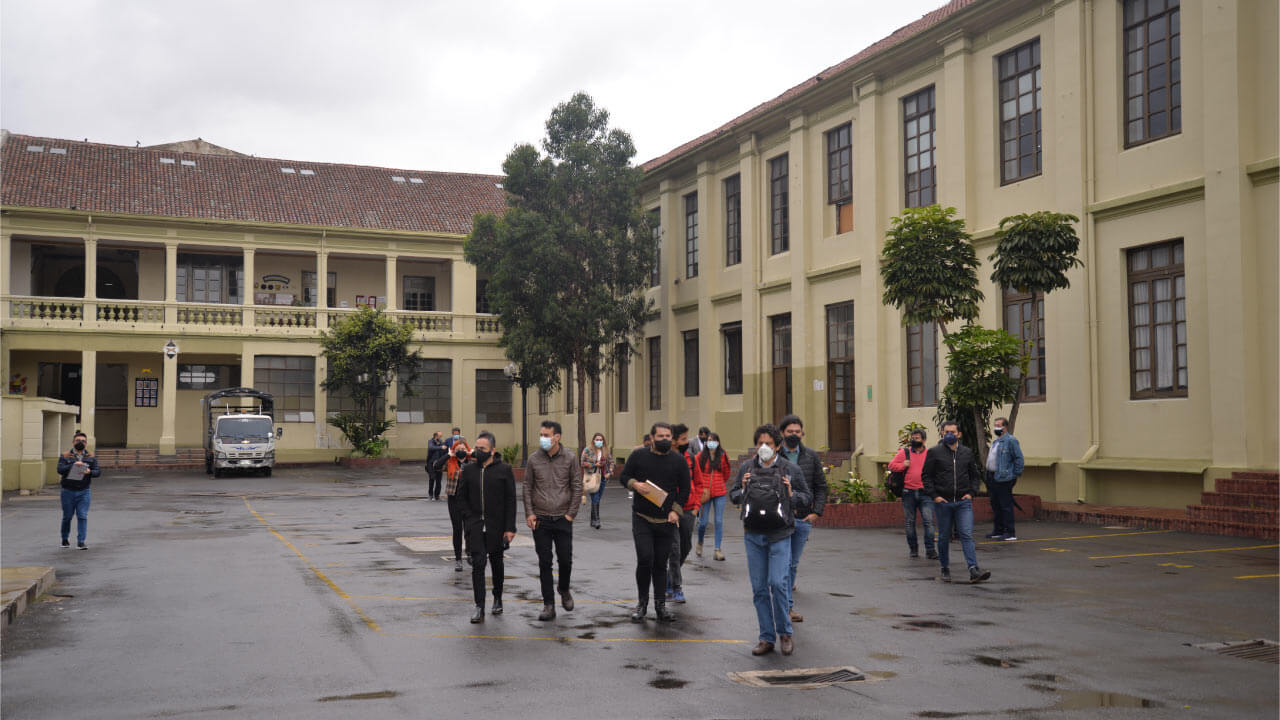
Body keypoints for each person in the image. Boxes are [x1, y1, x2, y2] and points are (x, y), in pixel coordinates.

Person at [729, 424, 810, 656]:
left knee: (778, 583)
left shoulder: (790, 469)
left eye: (768, 444)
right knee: (759, 588)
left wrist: (792, 495)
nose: (763, 448)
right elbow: (734, 495)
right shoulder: (747, 467)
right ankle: (766, 637)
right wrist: (742, 489)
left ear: (778, 446)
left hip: (780, 534)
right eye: (760, 443)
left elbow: (806, 498)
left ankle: (785, 633)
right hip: (753, 535)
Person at [618, 422, 690, 624]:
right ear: (651, 438)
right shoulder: (639, 456)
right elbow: (624, 476)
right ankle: (642, 604)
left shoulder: (678, 461)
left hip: (666, 520)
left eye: (668, 436)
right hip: (642, 518)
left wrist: (676, 511)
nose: (665, 439)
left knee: (660, 563)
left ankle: (660, 606)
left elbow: (685, 488)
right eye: (661, 436)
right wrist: (635, 484)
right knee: (645, 558)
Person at [523, 420, 583, 621]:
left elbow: (577, 486)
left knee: (565, 559)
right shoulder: (533, 459)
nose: (543, 439)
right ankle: (548, 605)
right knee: (544, 562)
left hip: (563, 518)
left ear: (557, 437)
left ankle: (564, 589)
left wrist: (570, 515)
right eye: (541, 434)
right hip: (540, 519)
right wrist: (530, 513)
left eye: (547, 435)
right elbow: (527, 487)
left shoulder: (570, 458)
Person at [456, 432, 517, 623]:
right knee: (478, 565)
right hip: (475, 526)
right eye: (476, 448)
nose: (477, 452)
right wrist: (468, 517)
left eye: (482, 449)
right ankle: (479, 606)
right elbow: (460, 497)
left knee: (497, 564)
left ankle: (497, 598)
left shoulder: (504, 470)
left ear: (493, 450)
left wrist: (510, 528)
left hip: (496, 527)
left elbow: (510, 501)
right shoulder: (469, 470)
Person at [922, 421, 991, 584]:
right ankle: (944, 568)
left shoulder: (966, 452)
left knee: (966, 534)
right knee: (944, 537)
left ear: (959, 434)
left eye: (952, 432)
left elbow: (975, 475)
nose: (949, 434)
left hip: (963, 502)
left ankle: (973, 569)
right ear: (941, 433)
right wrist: (934, 496)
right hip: (943, 503)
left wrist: (971, 493)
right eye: (946, 432)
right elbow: (926, 476)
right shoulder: (934, 452)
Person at [777, 415, 826, 624]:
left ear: (802, 433)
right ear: (782, 433)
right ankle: (786, 608)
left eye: (797, 431)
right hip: (780, 518)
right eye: (790, 432)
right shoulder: (774, 456)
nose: (794, 435)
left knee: (793, 563)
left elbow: (821, 486)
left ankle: (785, 604)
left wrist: (817, 512)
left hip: (803, 518)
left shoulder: (811, 456)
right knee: (785, 564)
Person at [666, 423, 702, 604]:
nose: (687, 442)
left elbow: (699, 483)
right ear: (673, 441)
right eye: (683, 439)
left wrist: (696, 507)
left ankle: (668, 579)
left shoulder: (691, 459)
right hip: (672, 511)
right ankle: (676, 588)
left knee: (686, 547)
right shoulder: (665, 459)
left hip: (689, 510)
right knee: (674, 549)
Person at [889, 428, 937, 560]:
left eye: (917, 438)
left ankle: (930, 550)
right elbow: (891, 465)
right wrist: (902, 465)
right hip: (908, 492)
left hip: (925, 493)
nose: (914, 440)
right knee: (910, 522)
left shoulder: (930, 454)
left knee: (928, 522)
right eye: (913, 438)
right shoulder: (905, 452)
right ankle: (913, 549)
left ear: (924, 440)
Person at [985, 417, 1025, 541]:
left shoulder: (1011, 441)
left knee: (1005, 505)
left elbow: (1019, 458)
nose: (996, 428)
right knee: (995, 504)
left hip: (1004, 478)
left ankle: (1010, 532)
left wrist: (1014, 475)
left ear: (1005, 427)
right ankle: (998, 530)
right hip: (993, 476)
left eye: (999, 425)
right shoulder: (996, 441)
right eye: (995, 425)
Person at [57, 431, 100, 549]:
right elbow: (60, 470)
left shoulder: (90, 457)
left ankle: (81, 541)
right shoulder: (65, 455)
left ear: (86, 443)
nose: (80, 442)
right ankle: (64, 539)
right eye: (78, 440)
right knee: (67, 516)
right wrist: (73, 465)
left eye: (83, 441)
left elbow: (98, 472)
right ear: (73, 442)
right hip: (67, 491)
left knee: (82, 516)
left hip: (84, 491)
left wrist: (89, 471)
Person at [694, 432, 731, 562]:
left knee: (719, 521)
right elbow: (695, 472)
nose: (711, 442)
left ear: (718, 442)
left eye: (714, 440)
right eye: (709, 440)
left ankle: (717, 549)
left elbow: (726, 472)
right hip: (705, 493)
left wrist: (719, 482)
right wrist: (700, 487)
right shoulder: (700, 456)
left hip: (719, 492)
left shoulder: (722, 455)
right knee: (703, 522)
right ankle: (700, 542)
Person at [444, 435, 473, 571]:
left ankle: (469, 553)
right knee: (457, 530)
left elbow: (489, 462)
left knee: (469, 529)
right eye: (458, 448)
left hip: (469, 501)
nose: (461, 450)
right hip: (454, 500)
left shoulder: (472, 463)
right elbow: (435, 466)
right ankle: (458, 559)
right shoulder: (450, 461)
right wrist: (448, 455)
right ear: (454, 450)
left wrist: (473, 453)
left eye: (463, 448)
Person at [581, 432, 612, 530]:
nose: (599, 441)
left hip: (602, 477)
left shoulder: (606, 450)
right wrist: (594, 465)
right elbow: (582, 462)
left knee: (598, 498)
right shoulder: (588, 450)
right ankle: (597, 520)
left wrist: (610, 472)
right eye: (597, 439)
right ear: (593, 440)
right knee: (595, 497)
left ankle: (592, 520)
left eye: (601, 439)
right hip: (592, 476)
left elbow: (611, 462)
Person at [426, 431, 448, 501]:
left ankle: (437, 495)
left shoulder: (441, 442)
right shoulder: (431, 441)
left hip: (439, 463)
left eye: (441, 436)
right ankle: (430, 495)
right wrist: (441, 447)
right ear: (436, 436)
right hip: (431, 463)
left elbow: (445, 451)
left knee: (438, 480)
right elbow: (431, 448)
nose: (441, 437)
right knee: (432, 479)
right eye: (440, 436)